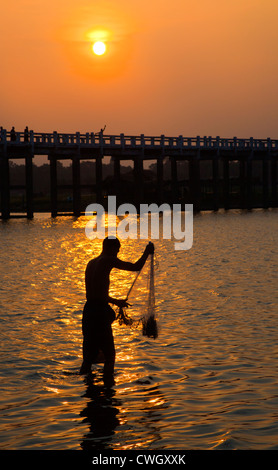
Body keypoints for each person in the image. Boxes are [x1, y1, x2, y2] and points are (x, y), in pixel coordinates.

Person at [80, 237, 154, 386]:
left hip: (88, 311)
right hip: (99, 314)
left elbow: (94, 295)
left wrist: (116, 302)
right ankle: (108, 390)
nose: (117, 254)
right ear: (110, 248)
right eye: (117, 250)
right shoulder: (108, 259)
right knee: (110, 356)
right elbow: (135, 267)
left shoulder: (91, 263)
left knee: (88, 358)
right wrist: (146, 252)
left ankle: (85, 386)